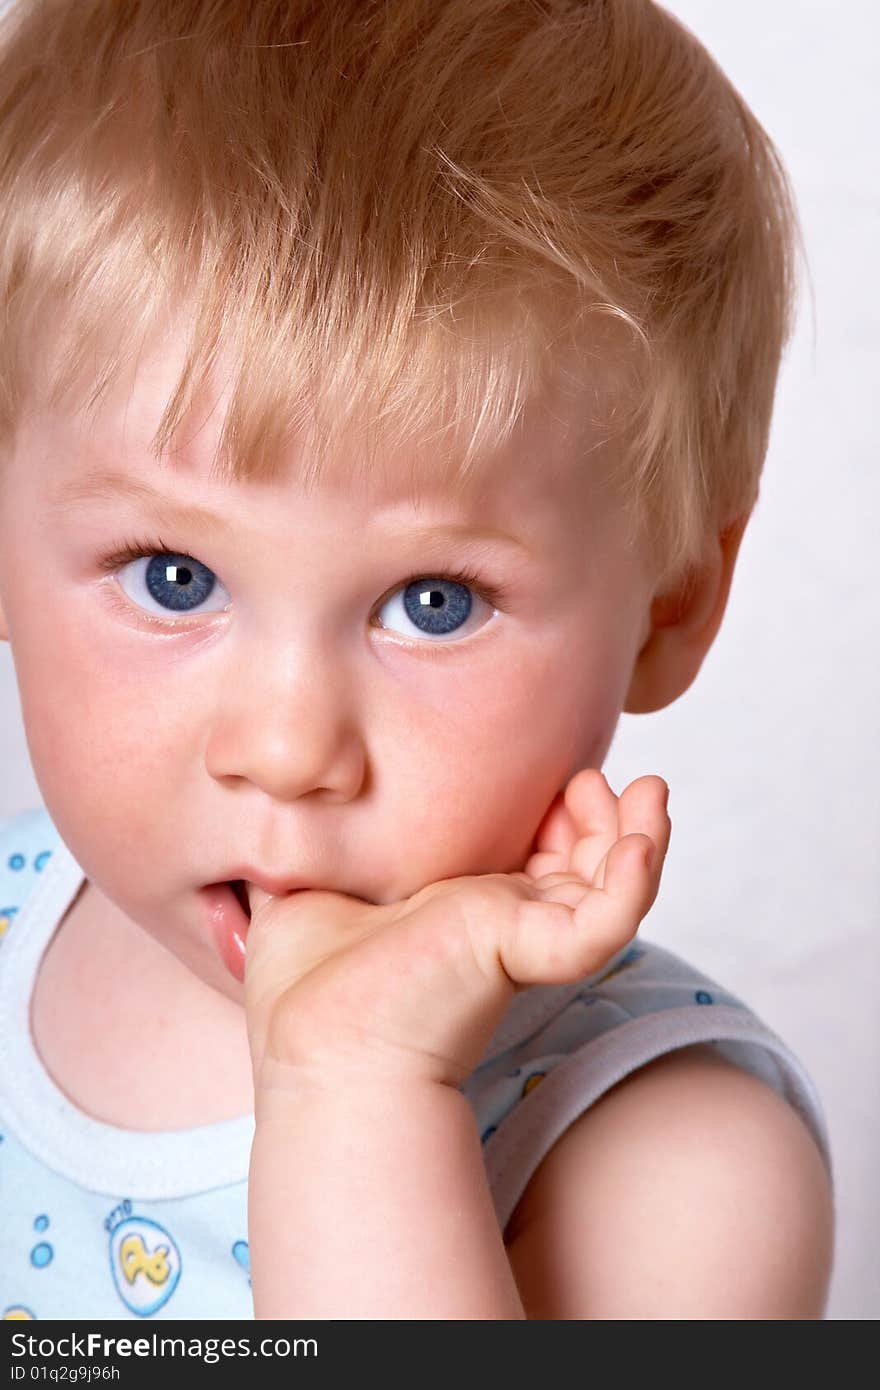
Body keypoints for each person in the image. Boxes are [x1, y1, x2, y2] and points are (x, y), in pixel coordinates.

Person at [0, 0, 834, 1320]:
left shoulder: (678, 1165)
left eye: (434, 601)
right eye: (177, 578)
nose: (285, 746)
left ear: (672, 605)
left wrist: (357, 1093)